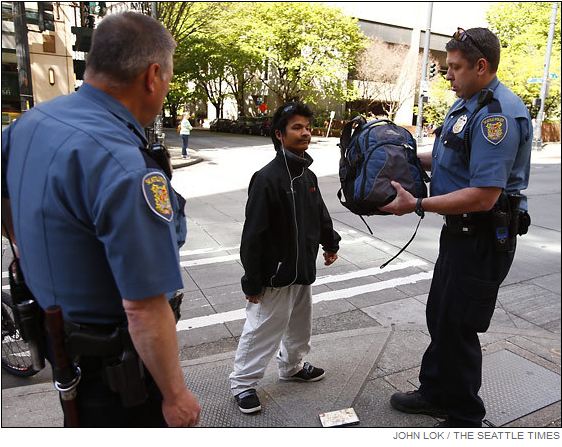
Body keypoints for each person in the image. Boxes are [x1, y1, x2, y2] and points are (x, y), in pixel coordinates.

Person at [1, 12, 200, 427]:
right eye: (167, 79)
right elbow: (144, 309)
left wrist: (27, 248)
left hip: (59, 344)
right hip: (116, 377)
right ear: (152, 76)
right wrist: (176, 395)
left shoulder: (32, 122)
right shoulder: (125, 167)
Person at [381, 27, 532, 427]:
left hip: (484, 236)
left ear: (481, 66)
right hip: (460, 232)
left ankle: (465, 417)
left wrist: (417, 204)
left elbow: (484, 194)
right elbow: (450, 160)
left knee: (459, 323)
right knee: (441, 314)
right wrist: (401, 154)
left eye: (455, 67)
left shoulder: (496, 114)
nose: (448, 75)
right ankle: (434, 392)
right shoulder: (468, 103)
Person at [229, 102, 341, 414]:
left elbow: (320, 214)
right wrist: (252, 280)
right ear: (280, 134)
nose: (305, 132)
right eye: (296, 127)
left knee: (299, 326)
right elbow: (253, 235)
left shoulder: (308, 175)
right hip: (274, 274)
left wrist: (330, 243)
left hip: (301, 269)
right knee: (262, 329)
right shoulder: (267, 178)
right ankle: (242, 384)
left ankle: (292, 367)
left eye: (307, 127)